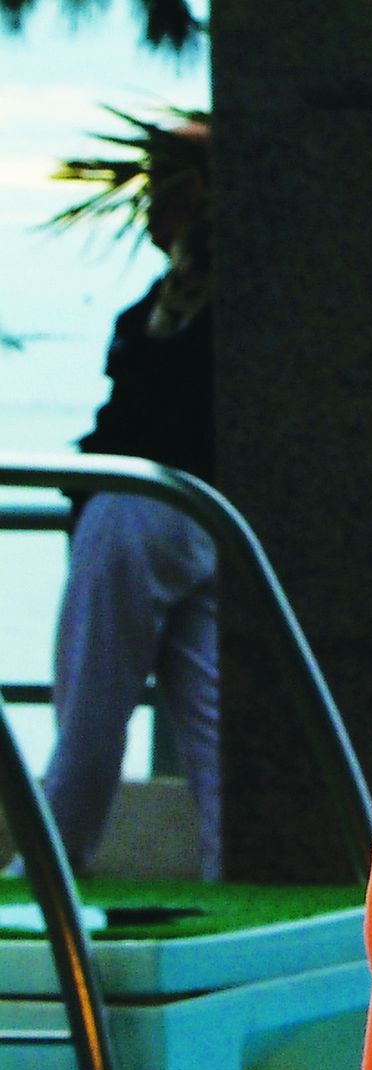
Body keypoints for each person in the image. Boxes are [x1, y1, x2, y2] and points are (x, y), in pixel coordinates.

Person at [45, 116, 217, 880]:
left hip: (148, 509)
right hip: (191, 514)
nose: (149, 210)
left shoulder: (204, 315)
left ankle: (59, 854)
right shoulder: (157, 312)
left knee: (94, 694)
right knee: (210, 711)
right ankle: (231, 858)